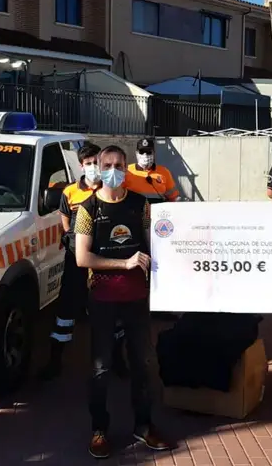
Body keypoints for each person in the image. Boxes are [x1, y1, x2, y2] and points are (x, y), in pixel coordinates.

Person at [75, 145, 172, 459]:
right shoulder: (88, 208)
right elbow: (82, 257)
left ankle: (144, 426)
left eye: (119, 164)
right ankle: (99, 430)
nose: (114, 171)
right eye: (108, 165)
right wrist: (124, 263)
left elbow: (153, 242)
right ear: (99, 169)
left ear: (126, 167)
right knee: (101, 368)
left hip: (137, 298)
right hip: (102, 297)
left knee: (143, 363)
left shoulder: (140, 204)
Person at [38, 142, 127, 380]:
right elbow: (66, 223)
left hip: (104, 259)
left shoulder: (109, 188)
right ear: (81, 166)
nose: (92, 168)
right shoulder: (70, 192)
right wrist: (74, 244)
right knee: (66, 309)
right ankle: (55, 361)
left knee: (113, 310)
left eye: (95, 163)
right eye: (87, 164)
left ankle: (118, 359)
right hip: (77, 260)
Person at [125, 138, 181, 203]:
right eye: (142, 152)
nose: (145, 155)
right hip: (134, 211)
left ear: (154, 153)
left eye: (148, 152)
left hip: (157, 211)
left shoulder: (164, 172)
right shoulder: (127, 170)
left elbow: (173, 197)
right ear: (136, 153)